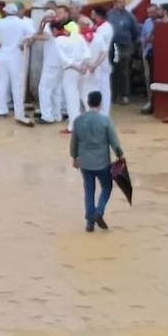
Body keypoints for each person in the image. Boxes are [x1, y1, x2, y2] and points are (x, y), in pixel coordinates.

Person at [70, 91, 124, 232]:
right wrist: (119, 156)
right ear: (100, 103)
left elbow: (74, 142)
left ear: (88, 102)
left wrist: (74, 157)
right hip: (102, 163)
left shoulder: (78, 121)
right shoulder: (105, 121)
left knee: (89, 190)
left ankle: (89, 222)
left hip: (85, 164)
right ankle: (99, 212)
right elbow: (115, 143)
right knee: (107, 187)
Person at [0, 3, 37, 125]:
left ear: (6, 12)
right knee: (17, 84)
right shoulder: (22, 23)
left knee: (2, 83)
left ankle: (1, 110)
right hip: (16, 56)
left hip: (2, 55)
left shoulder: (0, 22)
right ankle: (18, 112)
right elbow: (34, 34)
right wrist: (24, 41)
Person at [106, 0, 140, 105]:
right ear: (114, 3)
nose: (122, 4)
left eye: (124, 2)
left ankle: (124, 95)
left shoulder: (129, 16)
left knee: (124, 70)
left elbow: (136, 32)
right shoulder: (109, 15)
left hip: (124, 45)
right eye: (120, 2)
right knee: (112, 70)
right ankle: (113, 95)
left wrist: (131, 44)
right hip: (111, 45)